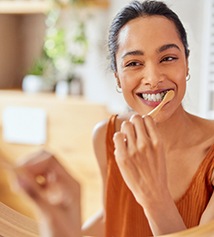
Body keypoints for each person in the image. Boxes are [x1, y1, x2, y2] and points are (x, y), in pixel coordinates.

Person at [14, 0, 214, 237]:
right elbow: (112, 216)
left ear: (187, 63)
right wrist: (63, 224)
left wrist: (153, 195)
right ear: (118, 77)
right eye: (134, 63)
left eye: (168, 58)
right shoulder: (107, 136)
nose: (152, 78)